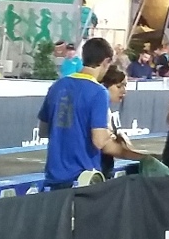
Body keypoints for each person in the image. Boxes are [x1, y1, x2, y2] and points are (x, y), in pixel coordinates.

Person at [39, 37, 140, 187]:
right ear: (106, 61)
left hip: (54, 177)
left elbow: (43, 131)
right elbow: (99, 141)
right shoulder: (99, 92)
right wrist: (112, 135)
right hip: (83, 179)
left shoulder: (57, 86)